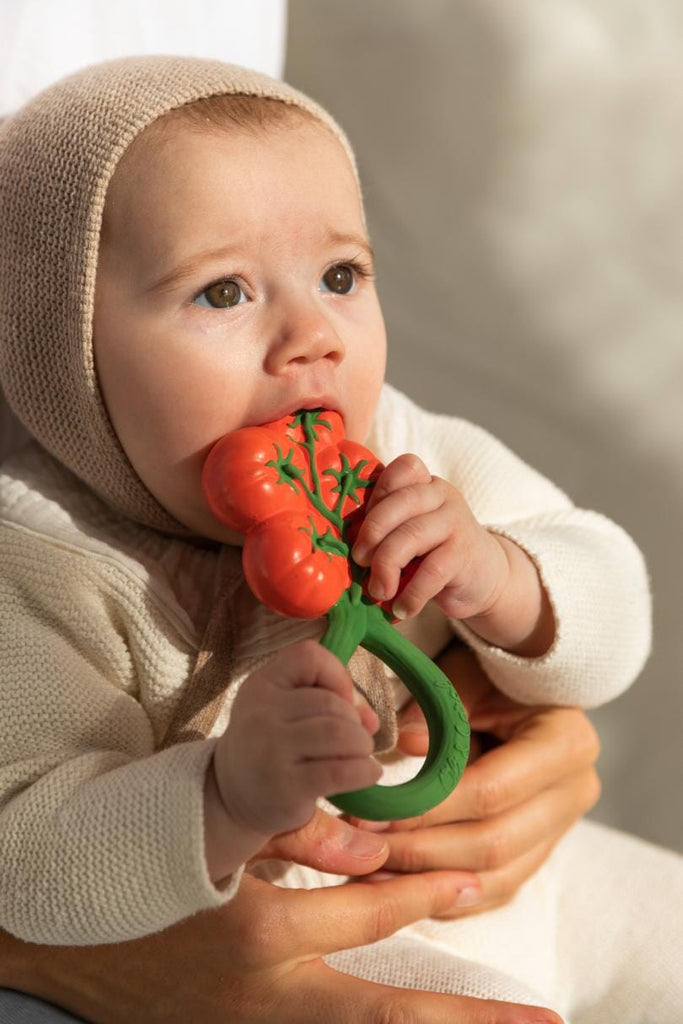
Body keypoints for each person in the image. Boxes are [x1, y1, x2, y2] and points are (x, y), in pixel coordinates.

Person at [0, 55, 680, 1023]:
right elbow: (27, 857)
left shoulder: (408, 449)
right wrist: (220, 795)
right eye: (223, 293)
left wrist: (501, 577)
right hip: (325, 938)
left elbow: (617, 623)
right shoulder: (39, 560)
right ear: (60, 349)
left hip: (541, 881)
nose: (312, 335)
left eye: (339, 275)